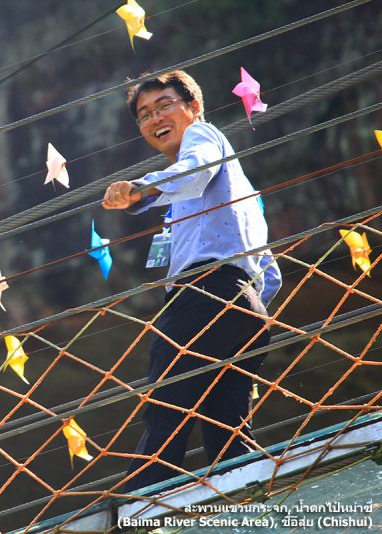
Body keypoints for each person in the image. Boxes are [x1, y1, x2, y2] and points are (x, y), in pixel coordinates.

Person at [101, 70, 281, 492]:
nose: (154, 119)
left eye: (164, 105)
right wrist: (249, 309)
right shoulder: (228, 189)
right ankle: (249, 506)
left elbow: (195, 168)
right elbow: (267, 270)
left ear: (194, 107)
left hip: (204, 295)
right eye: (144, 115)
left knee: (166, 411)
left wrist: (141, 189)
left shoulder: (204, 139)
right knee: (228, 434)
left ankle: (138, 509)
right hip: (243, 306)